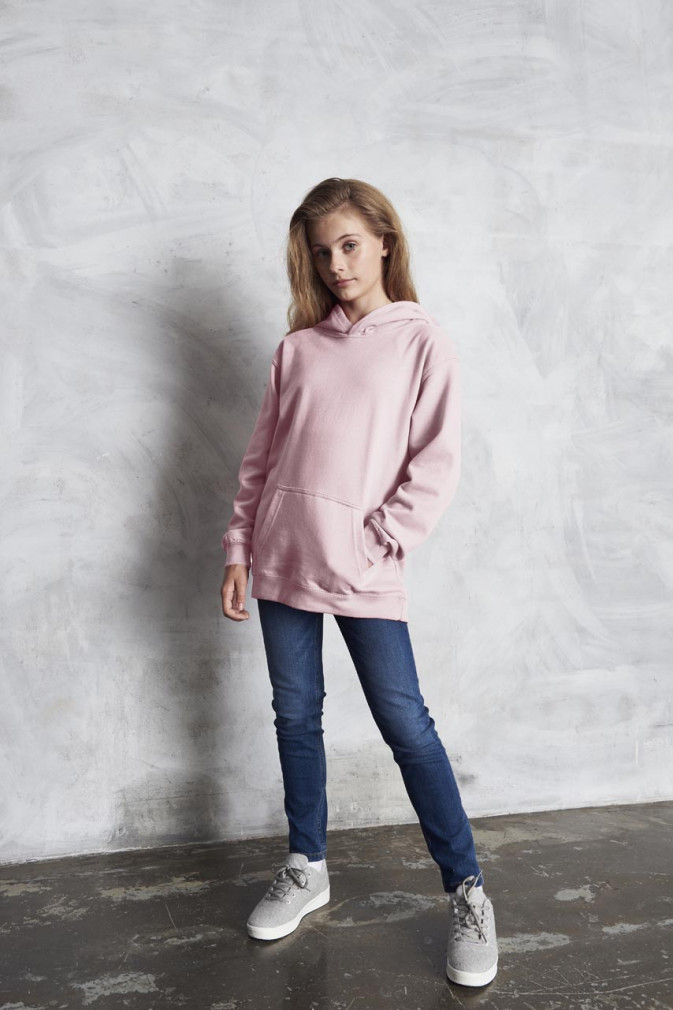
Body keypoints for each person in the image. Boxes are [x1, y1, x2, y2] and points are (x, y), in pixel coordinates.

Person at [220, 177, 498, 987]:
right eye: (321, 252)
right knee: (294, 715)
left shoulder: (421, 342)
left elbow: (435, 463)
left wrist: (377, 542)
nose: (336, 265)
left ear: (383, 241)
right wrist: (238, 547)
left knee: (405, 724)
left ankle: (467, 891)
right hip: (281, 558)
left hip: (363, 567)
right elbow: (260, 461)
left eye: (348, 245)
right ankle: (306, 863)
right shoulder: (297, 349)